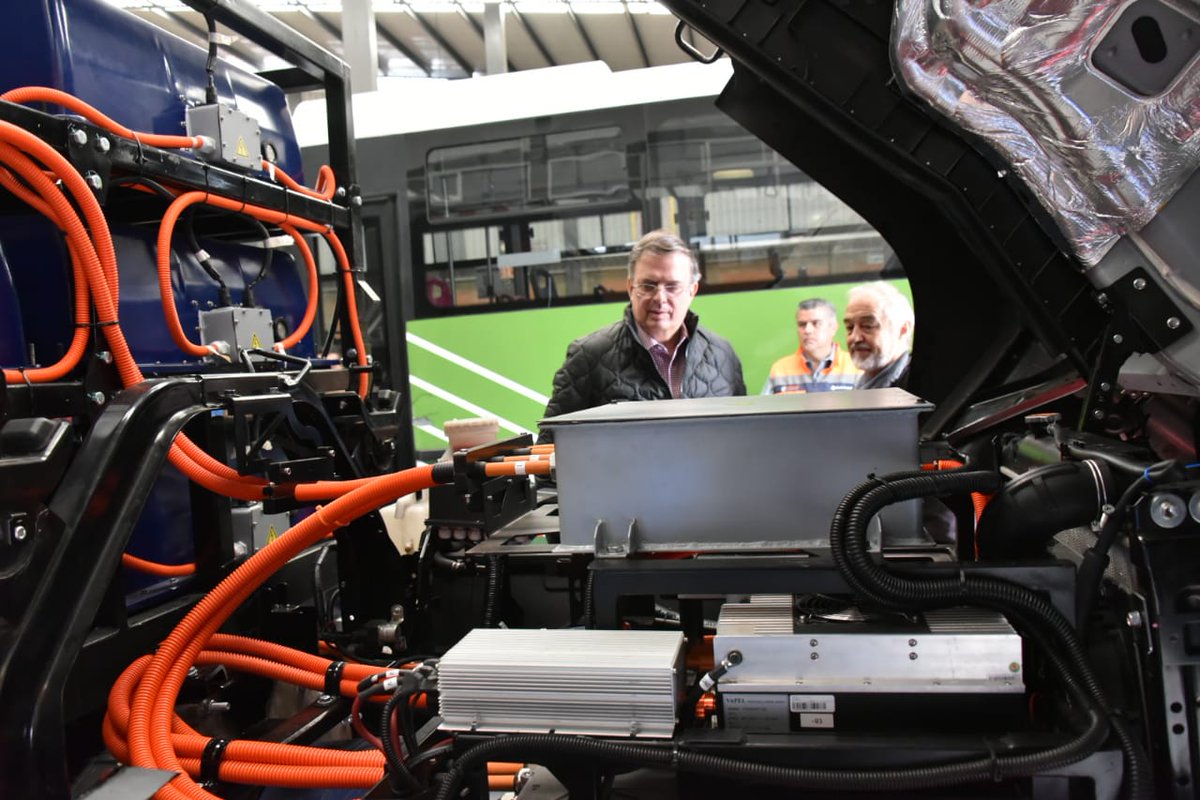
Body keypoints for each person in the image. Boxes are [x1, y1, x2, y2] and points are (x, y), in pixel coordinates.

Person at [540, 230, 745, 434]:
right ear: (630, 288)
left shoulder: (722, 354)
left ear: (692, 291)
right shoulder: (589, 356)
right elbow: (552, 446)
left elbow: (744, 436)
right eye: (648, 286)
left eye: (672, 286)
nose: (660, 298)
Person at [762, 298, 859, 394]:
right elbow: (764, 408)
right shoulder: (780, 369)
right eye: (802, 324)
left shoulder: (856, 367)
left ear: (833, 327)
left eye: (816, 323)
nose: (807, 330)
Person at [843, 281, 914, 390]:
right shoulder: (863, 384)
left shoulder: (919, 385)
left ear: (903, 329)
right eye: (849, 328)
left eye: (868, 326)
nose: (855, 337)